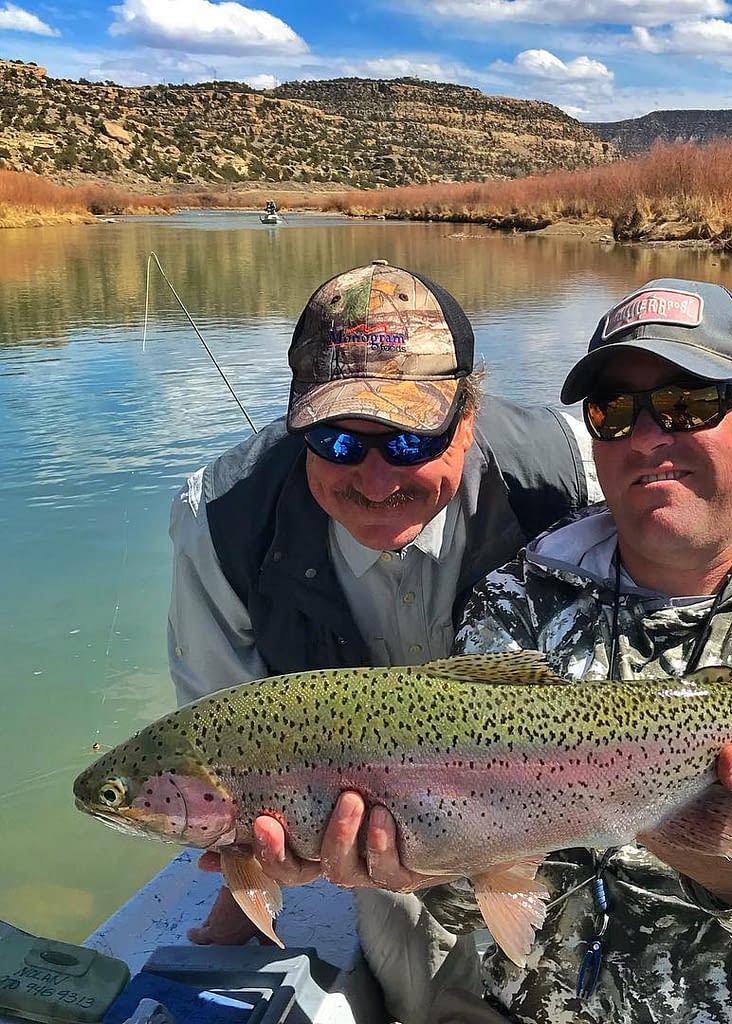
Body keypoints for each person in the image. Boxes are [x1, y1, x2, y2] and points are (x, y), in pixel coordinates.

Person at [305, 276, 732, 1023]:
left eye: (689, 404)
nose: (647, 438)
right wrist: (416, 862)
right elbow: (480, 899)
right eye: (614, 412)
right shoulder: (517, 604)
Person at [166, 258, 600, 1023]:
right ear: (296, 423)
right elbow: (223, 744)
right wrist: (244, 890)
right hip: (366, 826)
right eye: (337, 443)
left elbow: (728, 528)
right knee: (417, 981)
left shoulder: (570, 472)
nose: (374, 482)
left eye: (409, 442)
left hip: (563, 787)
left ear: (468, 416)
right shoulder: (223, 524)